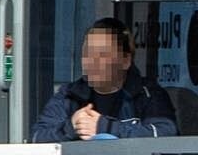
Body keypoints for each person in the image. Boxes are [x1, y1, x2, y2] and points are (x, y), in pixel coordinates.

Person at [32, 18, 179, 141]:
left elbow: (166, 133)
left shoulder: (147, 94)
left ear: (125, 60)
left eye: (103, 54)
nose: (92, 61)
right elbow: (37, 138)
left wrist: (105, 127)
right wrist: (70, 128)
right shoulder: (69, 95)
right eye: (88, 53)